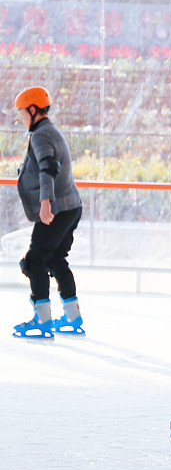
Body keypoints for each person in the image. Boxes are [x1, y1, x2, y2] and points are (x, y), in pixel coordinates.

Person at [12, 86, 86, 340]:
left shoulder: (41, 135)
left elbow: (48, 167)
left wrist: (46, 202)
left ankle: (42, 320)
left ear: (33, 110)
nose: (21, 117)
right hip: (71, 206)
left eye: (22, 112)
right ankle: (72, 317)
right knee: (55, 259)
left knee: (35, 261)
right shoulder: (48, 131)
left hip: (57, 208)